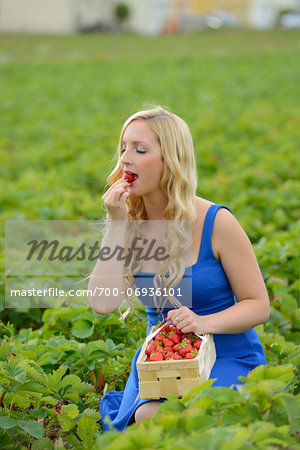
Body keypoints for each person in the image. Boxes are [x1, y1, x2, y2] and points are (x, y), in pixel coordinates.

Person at [87, 106, 270, 432]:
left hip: (228, 353)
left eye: (140, 150)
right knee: (148, 417)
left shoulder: (216, 222)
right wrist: (116, 224)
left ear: (170, 160)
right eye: (124, 148)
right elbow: (103, 304)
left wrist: (203, 322)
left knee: (180, 421)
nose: (125, 159)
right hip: (163, 360)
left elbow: (258, 305)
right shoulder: (130, 222)